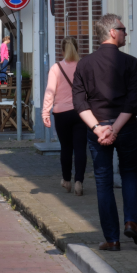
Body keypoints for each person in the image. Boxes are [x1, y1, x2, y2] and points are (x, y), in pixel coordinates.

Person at [71, 13, 137, 251]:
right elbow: (132, 103)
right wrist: (114, 128)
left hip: (98, 128)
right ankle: (131, 220)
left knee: (103, 181)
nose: (126, 33)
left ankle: (112, 239)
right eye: (123, 29)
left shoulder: (84, 64)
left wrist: (98, 128)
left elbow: (79, 102)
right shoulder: (131, 63)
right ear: (112, 32)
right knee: (129, 173)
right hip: (124, 127)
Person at [42, 36, 87, 196]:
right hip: (81, 113)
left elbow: (50, 92)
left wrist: (45, 112)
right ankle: (79, 182)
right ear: (77, 48)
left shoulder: (56, 68)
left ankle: (66, 180)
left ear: (62, 50)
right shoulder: (83, 66)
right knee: (81, 148)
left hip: (61, 114)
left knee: (66, 148)